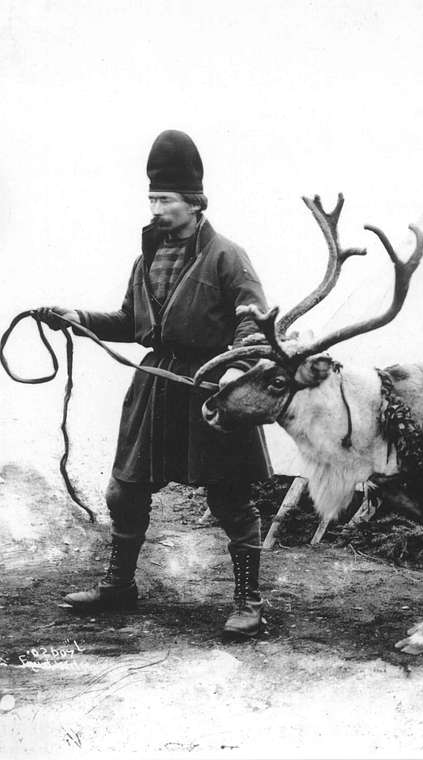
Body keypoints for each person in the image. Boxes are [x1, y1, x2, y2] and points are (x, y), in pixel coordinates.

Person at [35, 130, 272, 638]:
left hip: (210, 388)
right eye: (152, 198)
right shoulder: (146, 257)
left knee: (230, 496)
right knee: (126, 489)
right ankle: (119, 586)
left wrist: (233, 371)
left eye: (164, 199)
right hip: (156, 387)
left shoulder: (228, 256)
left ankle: (249, 601)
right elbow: (128, 320)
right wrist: (78, 317)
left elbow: (253, 320)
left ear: (194, 202)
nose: (156, 208)